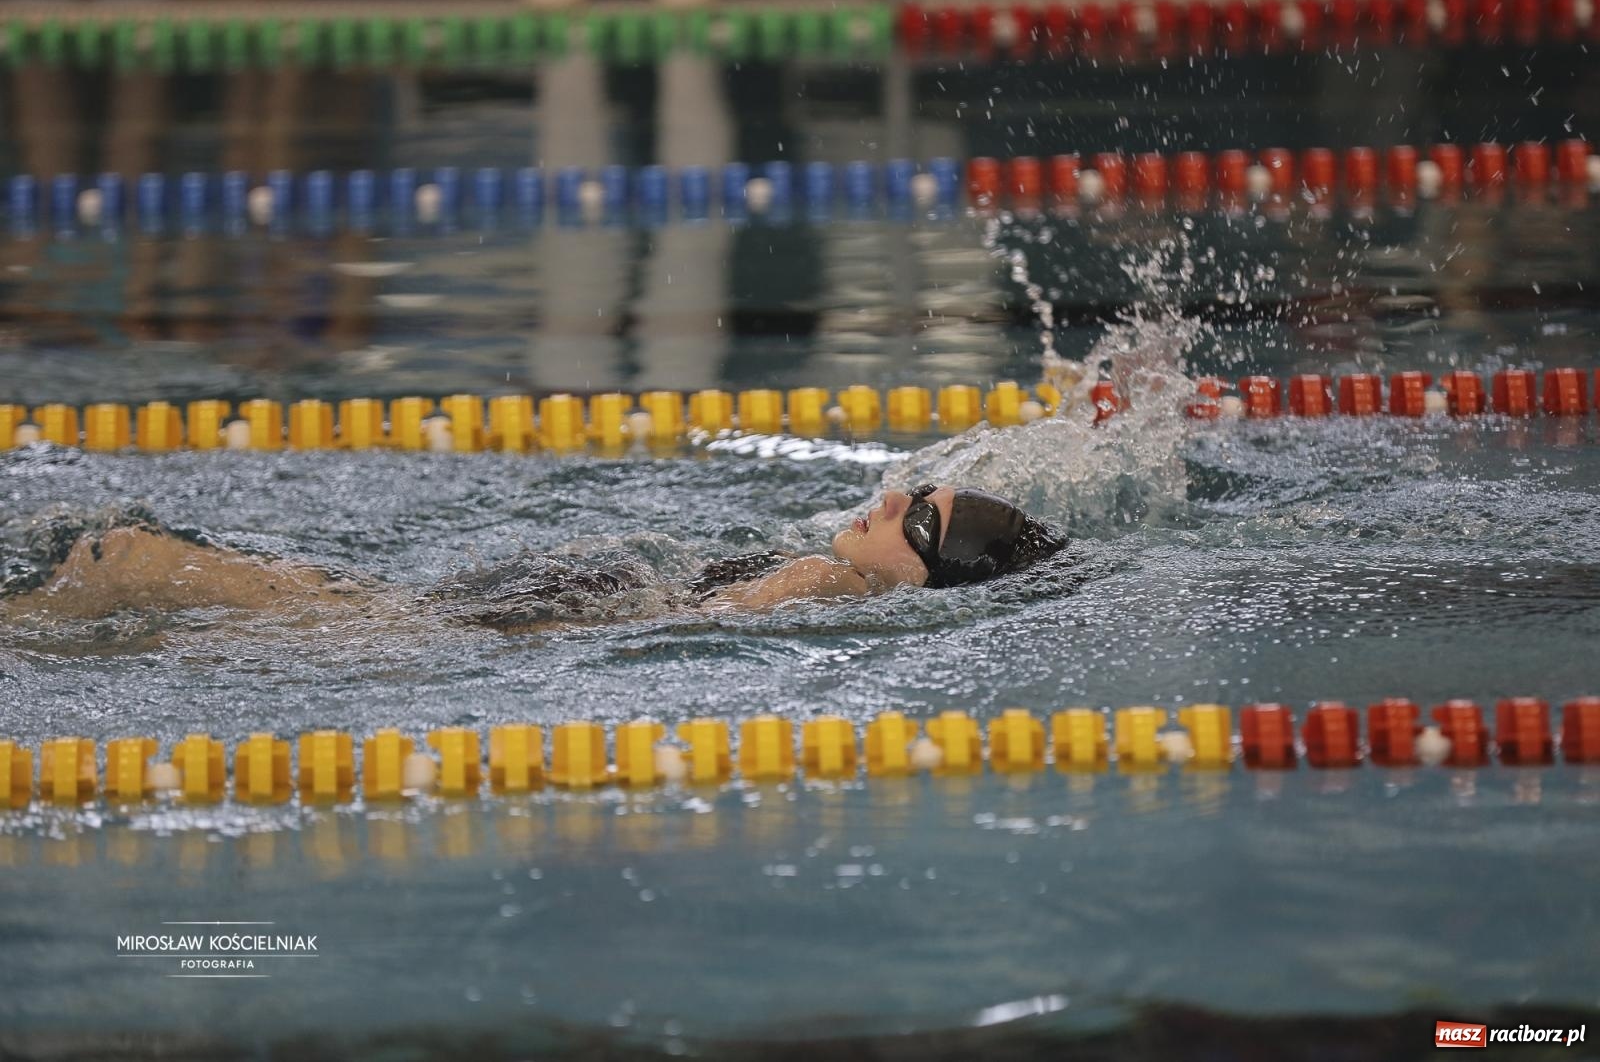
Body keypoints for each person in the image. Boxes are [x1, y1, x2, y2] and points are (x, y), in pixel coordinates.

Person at [2, 486, 1067, 630]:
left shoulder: (827, 581)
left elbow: (684, 632)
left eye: (915, 521)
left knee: (126, 560)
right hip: (484, 616)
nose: (889, 503)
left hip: (480, 631)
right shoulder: (839, 579)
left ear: (922, 579)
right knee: (129, 585)